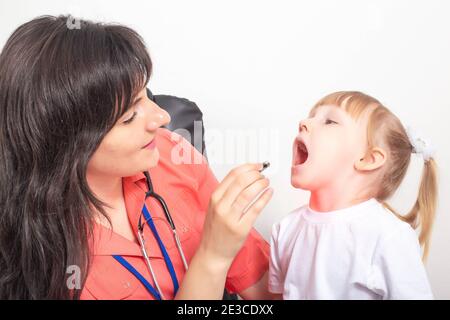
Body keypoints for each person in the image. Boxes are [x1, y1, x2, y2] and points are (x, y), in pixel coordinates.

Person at [0, 15, 274, 299]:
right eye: (130, 116)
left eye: (146, 97)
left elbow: (262, 284)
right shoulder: (53, 269)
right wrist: (213, 256)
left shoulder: (170, 154)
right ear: (68, 145)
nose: (162, 117)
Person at [269, 91, 438, 299]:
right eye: (311, 115)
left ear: (368, 158)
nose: (304, 122)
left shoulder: (388, 238)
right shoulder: (285, 229)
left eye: (329, 121)